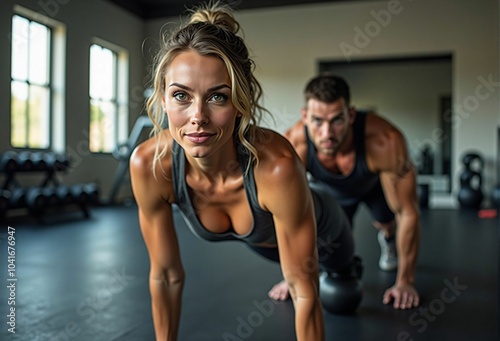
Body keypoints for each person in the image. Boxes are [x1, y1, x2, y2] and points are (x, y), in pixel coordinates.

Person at [130, 4, 360, 340]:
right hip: (265, 241)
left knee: (342, 293)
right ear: (163, 100)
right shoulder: (150, 165)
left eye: (217, 97)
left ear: (240, 102)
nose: (198, 116)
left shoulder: (277, 166)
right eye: (181, 95)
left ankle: (349, 267)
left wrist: (300, 274)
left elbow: (303, 291)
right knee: (292, 268)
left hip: (325, 227)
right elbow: (165, 275)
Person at [285, 74, 421, 310]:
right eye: (317, 121)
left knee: (388, 222)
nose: (327, 133)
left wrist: (405, 282)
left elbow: (408, 213)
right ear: (305, 116)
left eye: (337, 120)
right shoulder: (296, 144)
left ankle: (388, 239)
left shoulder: (385, 141)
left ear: (351, 115)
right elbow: (289, 214)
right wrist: (292, 278)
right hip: (332, 193)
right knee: (334, 242)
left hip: (372, 186)